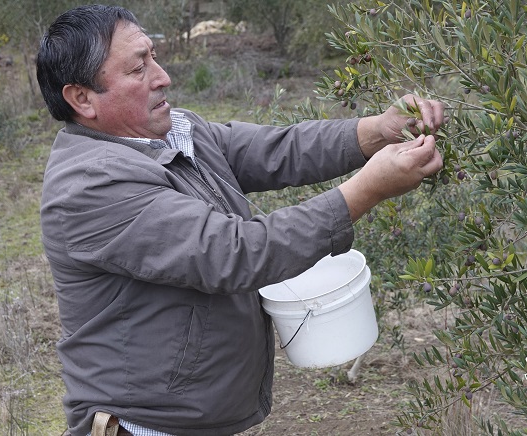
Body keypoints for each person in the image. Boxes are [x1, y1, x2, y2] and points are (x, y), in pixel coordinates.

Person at [37, 5, 445, 436]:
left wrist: (378, 129)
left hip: (194, 417)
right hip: (146, 426)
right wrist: (367, 190)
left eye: (153, 56)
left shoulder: (174, 132)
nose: (162, 76)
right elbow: (235, 253)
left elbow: (277, 150)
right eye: (138, 69)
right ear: (82, 98)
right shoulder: (89, 186)